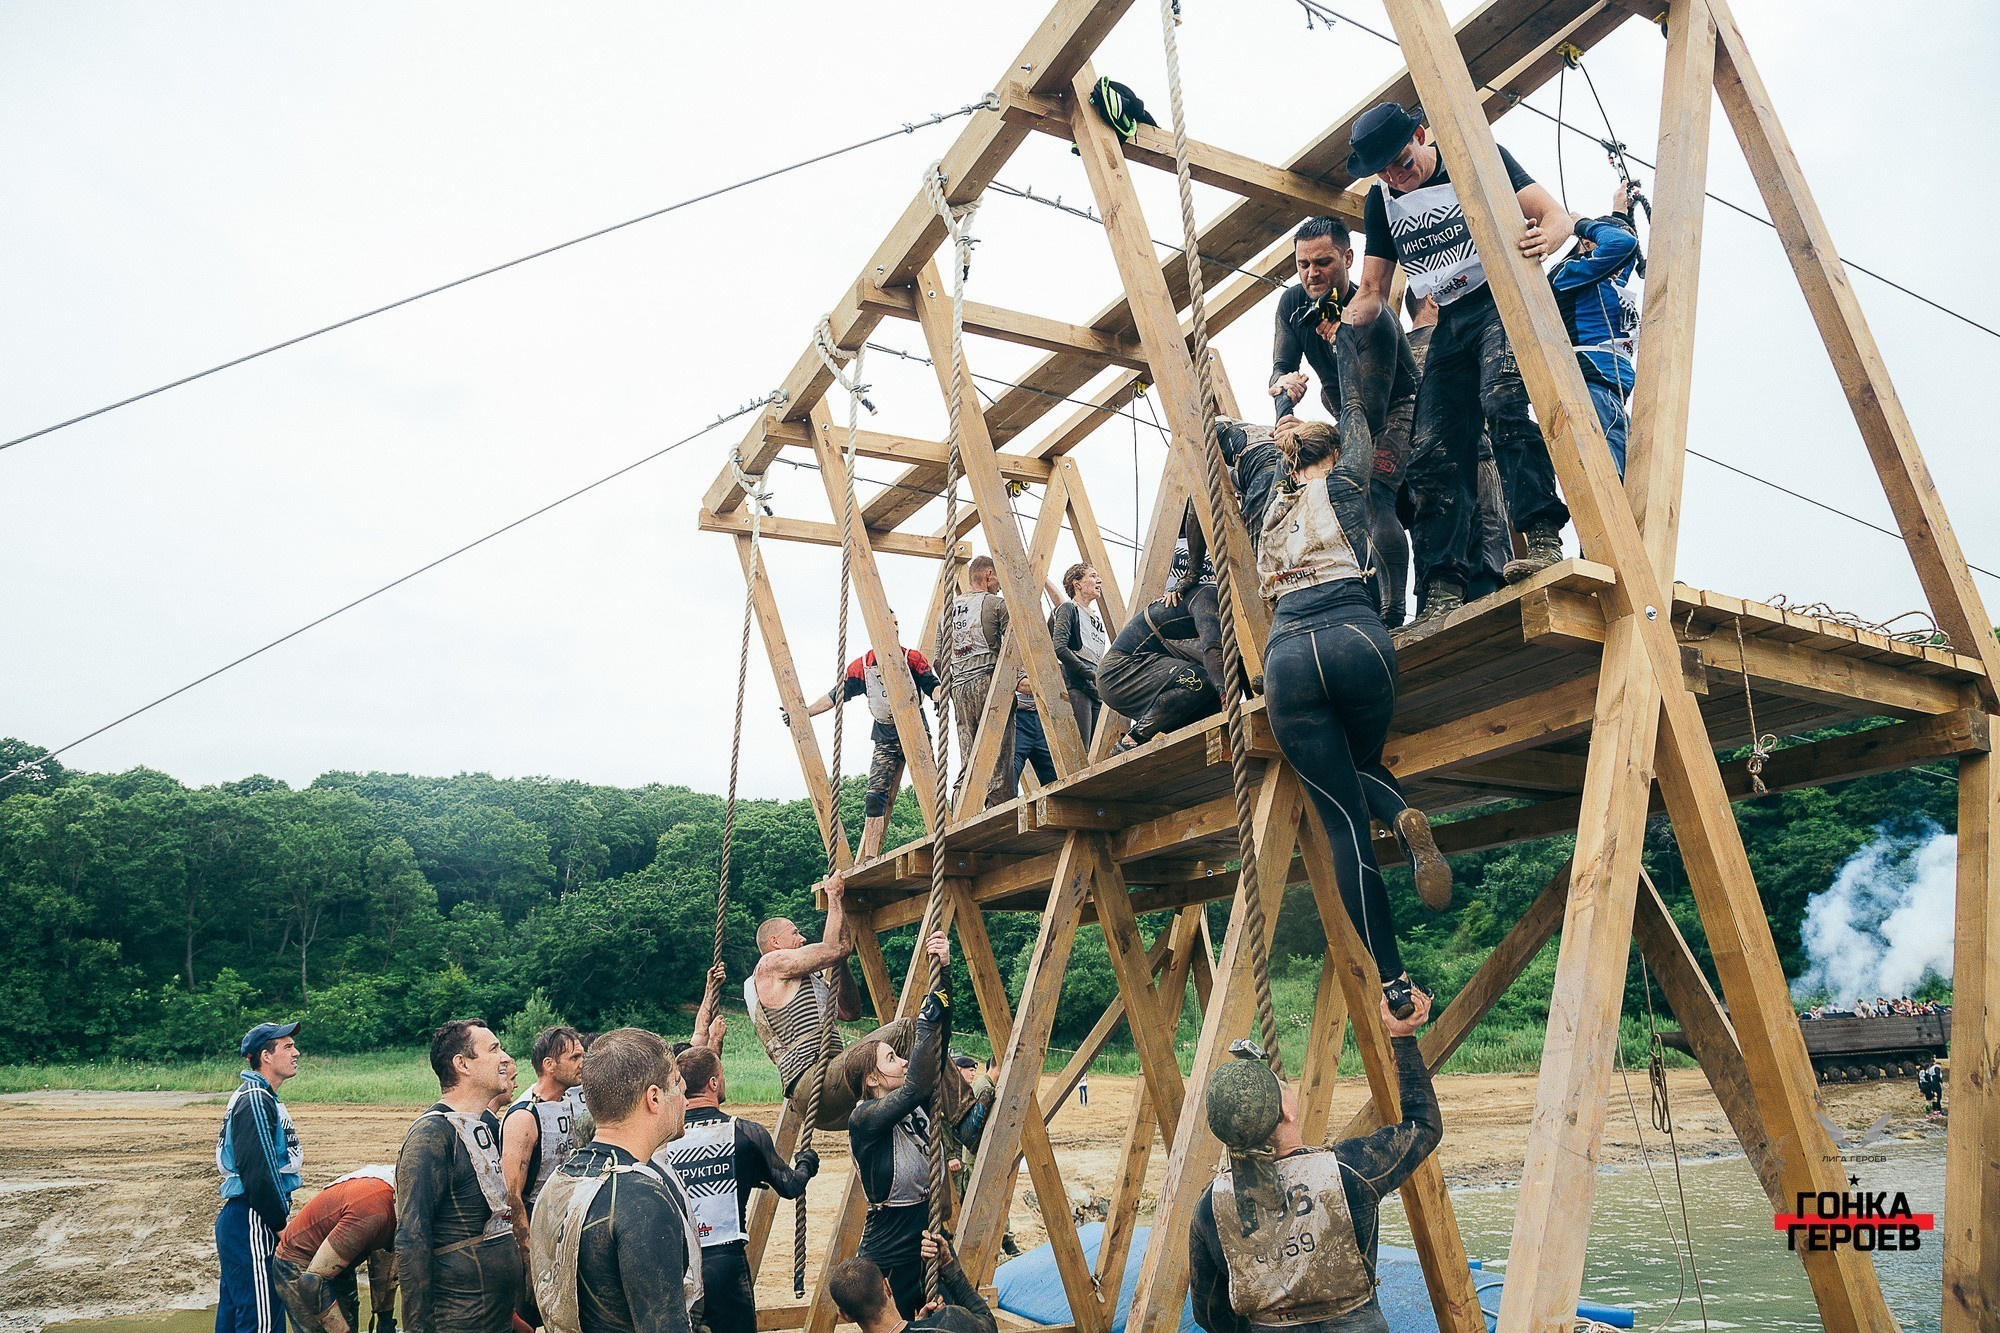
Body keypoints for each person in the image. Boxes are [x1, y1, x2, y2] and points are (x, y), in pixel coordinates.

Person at [1209, 312, 1455, 1017]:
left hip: (1290, 654)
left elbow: (1223, 434)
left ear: (1286, 457)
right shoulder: (1349, 479)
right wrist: (1343, 342)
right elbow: (1355, 402)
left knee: (1344, 824)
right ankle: (1402, 814)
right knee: (1366, 760)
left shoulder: (1266, 491)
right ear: (1334, 450)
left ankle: (1394, 982)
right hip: (1356, 635)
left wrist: (1278, 402)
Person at [1345, 101, 1576, 620]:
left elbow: (1556, 215)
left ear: (1420, 136)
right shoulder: (1382, 201)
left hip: (1499, 298)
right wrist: (1346, 323)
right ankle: (1441, 587)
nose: (1397, 177)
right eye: (1384, 171)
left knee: (1504, 401)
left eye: (1402, 162)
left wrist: (1549, 237)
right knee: (1432, 451)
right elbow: (1374, 289)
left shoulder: (1474, 158)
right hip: (1450, 316)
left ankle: (1541, 535)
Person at [1190, 991, 1440, 1333]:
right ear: (1286, 1111)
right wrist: (1403, 1037)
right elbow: (1423, 1125)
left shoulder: (1211, 1207)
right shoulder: (1348, 1171)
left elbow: (1210, 1312)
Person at [750, 871, 987, 1142]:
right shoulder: (769, 965)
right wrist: (835, 897)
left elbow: (851, 1012)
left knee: (906, 1067)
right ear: (775, 942)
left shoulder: (806, 982)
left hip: (832, 1087)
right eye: (795, 933)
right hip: (815, 1084)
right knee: (908, 1029)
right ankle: (963, 1115)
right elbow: (834, 948)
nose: (802, 938)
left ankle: (941, 1127)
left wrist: (840, 963)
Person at [1271, 216, 1420, 627]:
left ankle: (1391, 614)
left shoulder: (1375, 318)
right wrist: (1286, 414)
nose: (1311, 273)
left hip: (1396, 408)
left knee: (1371, 491)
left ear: (1348, 258)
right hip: (1345, 408)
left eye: (1323, 262)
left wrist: (1346, 342)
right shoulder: (1291, 304)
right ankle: (1357, 604)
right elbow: (1282, 367)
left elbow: (1370, 413)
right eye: (1303, 264)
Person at [530, 1028, 697, 1333]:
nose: (684, 1098)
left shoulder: (561, 1179)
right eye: (676, 1084)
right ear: (654, 1098)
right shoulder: (641, 1199)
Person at [659, 1047, 817, 1333]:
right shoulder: (745, 1132)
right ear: (713, 1083)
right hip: (725, 1261)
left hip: (677, 1263)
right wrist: (807, 1163)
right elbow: (790, 1185)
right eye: (721, 1074)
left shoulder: (662, 1140)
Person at [848, 931, 957, 1318]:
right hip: (888, 1253)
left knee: (946, 1320)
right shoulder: (863, 1118)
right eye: (892, 1058)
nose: (903, 1061)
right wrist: (925, 1018)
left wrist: (945, 975)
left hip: (926, 1241)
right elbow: (914, 1087)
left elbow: (936, 1053)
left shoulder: (916, 1105)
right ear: (872, 1079)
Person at [396, 1020, 524, 1333]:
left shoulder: (486, 1125)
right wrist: (417, 1328)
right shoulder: (431, 1134)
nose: (505, 1058)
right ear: (462, 1064)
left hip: (496, 1318)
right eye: (494, 1049)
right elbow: (411, 1237)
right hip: (458, 1321)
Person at [799, 615, 939, 860]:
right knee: (875, 795)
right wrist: (806, 712)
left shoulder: (912, 658)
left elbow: (931, 684)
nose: (894, 628)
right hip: (885, 735)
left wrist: (939, 696)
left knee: (929, 785)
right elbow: (836, 695)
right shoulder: (863, 666)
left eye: (896, 624)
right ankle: (870, 855)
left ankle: (940, 832)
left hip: (915, 730)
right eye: (889, 624)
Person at [1407, 290, 1511, 604]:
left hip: (1420, 485)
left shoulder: (1395, 352)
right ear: (1433, 299)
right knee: (1487, 581)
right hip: (1474, 467)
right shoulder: (1463, 342)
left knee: (1437, 585)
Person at [1549, 183, 1643, 477]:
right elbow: (1622, 245)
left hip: (1611, 392)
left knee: (1626, 482)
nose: (1622, 266)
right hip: (1592, 386)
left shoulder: (1607, 281)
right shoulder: (1571, 273)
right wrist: (1580, 224)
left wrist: (1621, 212)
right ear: (1589, 243)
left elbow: (1625, 247)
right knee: (1608, 477)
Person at [218, 1020, 305, 1333]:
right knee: (262, 1323)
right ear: (266, 1056)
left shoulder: (261, 1096)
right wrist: (281, 1225)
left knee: (237, 1320)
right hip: (254, 1219)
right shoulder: (256, 1098)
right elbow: (258, 1172)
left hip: (247, 1219)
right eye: (287, 1046)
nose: (296, 1052)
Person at [1097, 582, 1226, 755]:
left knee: (1211, 700)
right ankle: (1133, 738)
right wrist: (1225, 696)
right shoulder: (1207, 595)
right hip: (1118, 671)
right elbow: (1212, 648)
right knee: (1200, 680)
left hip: (1140, 674)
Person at [504, 1025, 586, 1275]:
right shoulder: (525, 1116)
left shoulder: (569, 1102)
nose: (582, 1063)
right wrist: (529, 1256)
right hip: (537, 1222)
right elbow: (512, 1194)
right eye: (574, 1057)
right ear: (549, 1065)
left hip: (565, 1218)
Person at [273, 1167, 397, 1333]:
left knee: (349, 1324)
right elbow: (312, 1282)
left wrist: (385, 1320)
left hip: (340, 1264)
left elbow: (385, 1258)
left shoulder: (395, 1200)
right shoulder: (373, 1209)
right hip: (299, 1263)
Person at [938, 555, 1017, 809]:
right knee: (999, 755)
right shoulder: (996, 604)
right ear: (988, 575)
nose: (1000, 586)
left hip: (959, 688)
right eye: (998, 579)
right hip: (989, 683)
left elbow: (939, 659)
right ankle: (1000, 812)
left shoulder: (946, 612)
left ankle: (961, 807)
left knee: (968, 756)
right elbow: (1014, 648)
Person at [828, 1232, 996, 1333]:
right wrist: (950, 1269)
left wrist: (918, 1324)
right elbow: (987, 1323)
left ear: (844, 1315)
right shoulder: (949, 1322)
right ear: (887, 1287)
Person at [1049, 563, 1112, 745]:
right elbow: (1060, 648)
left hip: (1095, 688)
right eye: (1092, 576)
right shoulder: (1069, 609)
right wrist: (1090, 675)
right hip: (1078, 686)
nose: (1099, 580)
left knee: (1100, 749)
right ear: (1077, 584)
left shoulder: (1094, 618)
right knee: (1081, 749)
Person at [1010, 672, 1057, 789]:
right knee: (1012, 766)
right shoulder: (1012, 662)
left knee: (1052, 768)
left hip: (1041, 716)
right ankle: (1007, 799)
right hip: (1018, 717)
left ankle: (1060, 798)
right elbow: (1022, 685)